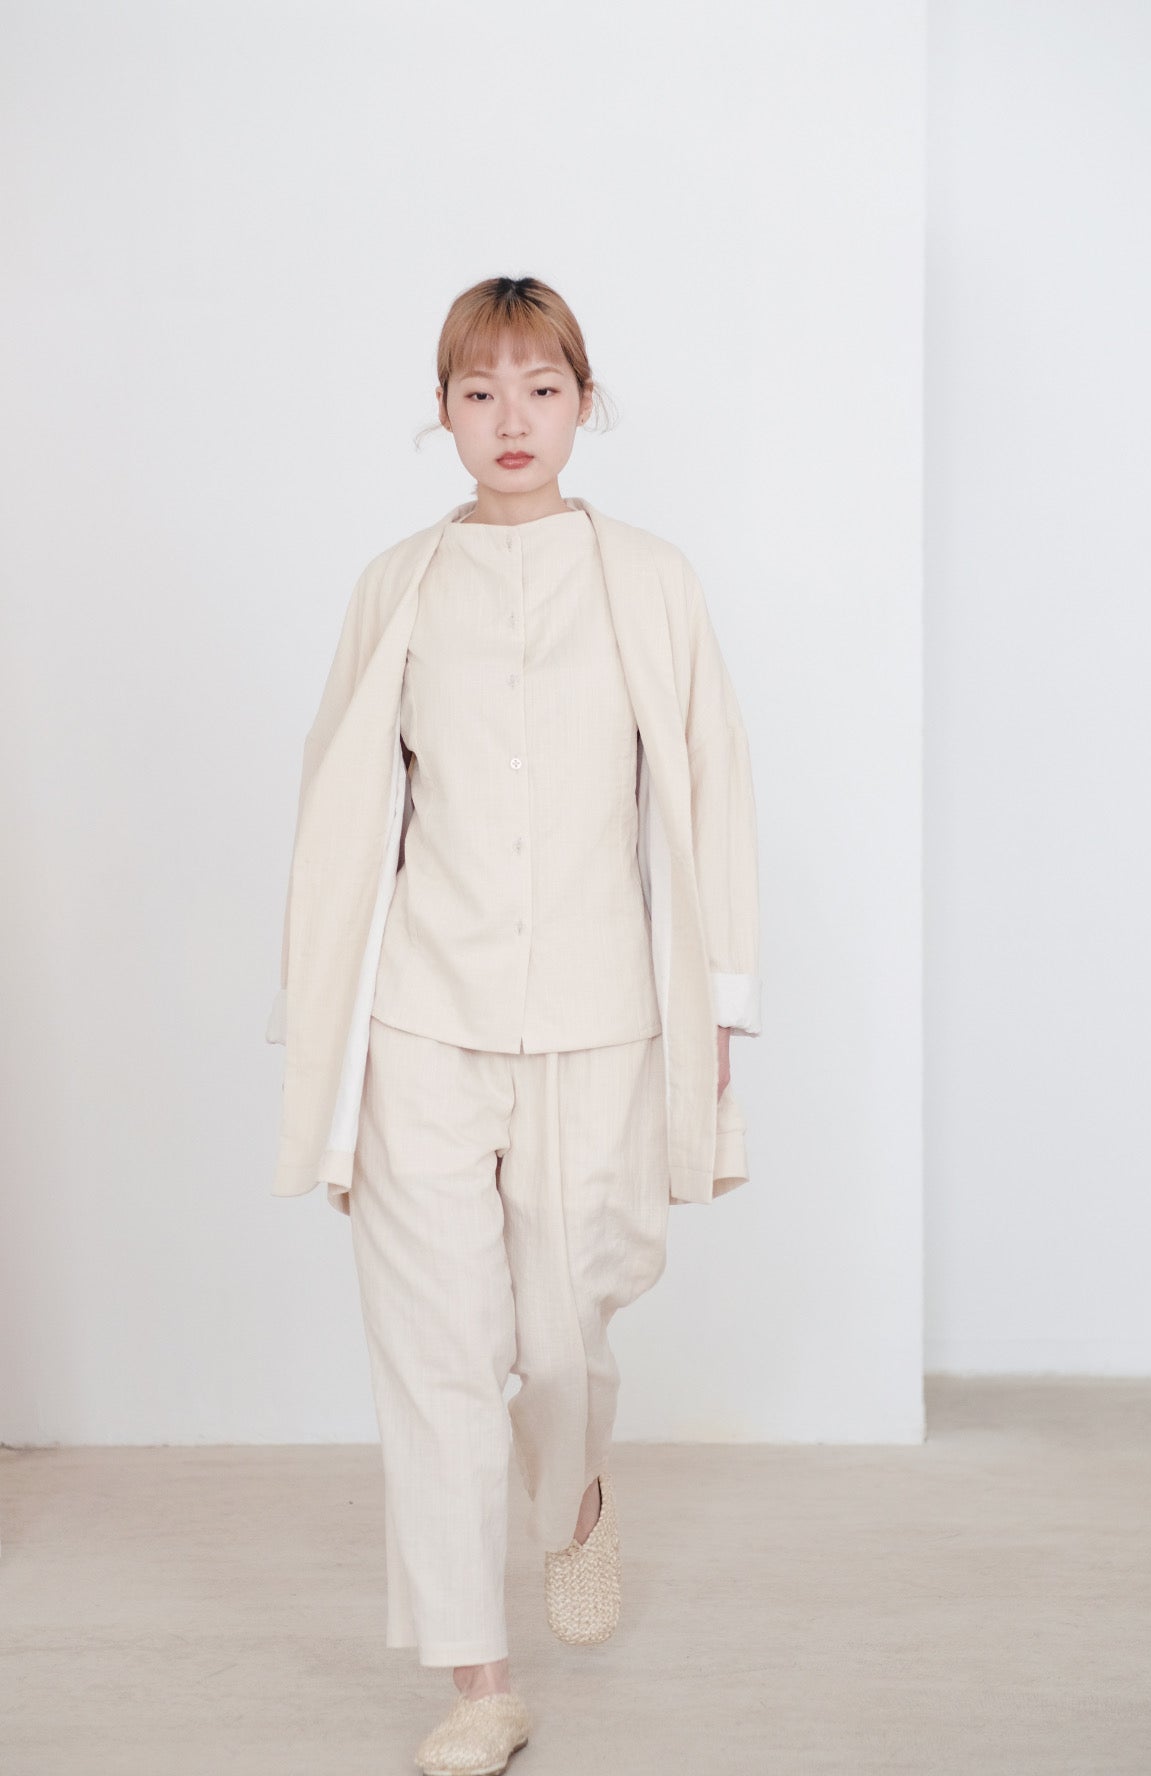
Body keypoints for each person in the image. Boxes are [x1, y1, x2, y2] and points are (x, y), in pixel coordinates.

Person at [266, 274, 762, 1776]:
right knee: (436, 1352)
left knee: (561, 1337)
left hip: (602, 1023)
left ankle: (578, 1492)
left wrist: (721, 1002)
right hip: (422, 1019)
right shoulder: (397, 587)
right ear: (442, 413)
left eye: (541, 387)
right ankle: (478, 1680)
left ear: (584, 402)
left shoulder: (652, 581)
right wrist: (319, 1020)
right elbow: (338, 806)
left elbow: (713, 791)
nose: (511, 419)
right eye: (478, 392)